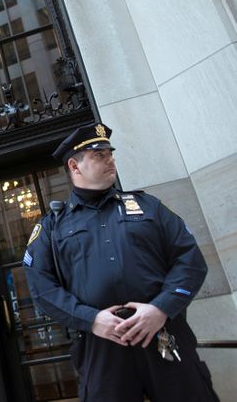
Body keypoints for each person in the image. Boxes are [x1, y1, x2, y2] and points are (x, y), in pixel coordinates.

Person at [23, 122, 218, 401]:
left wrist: (161, 308)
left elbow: (191, 260)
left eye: (109, 153)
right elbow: (41, 287)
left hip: (162, 333)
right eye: (98, 155)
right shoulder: (53, 226)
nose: (110, 159)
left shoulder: (148, 206)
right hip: (101, 346)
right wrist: (90, 319)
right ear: (75, 166)